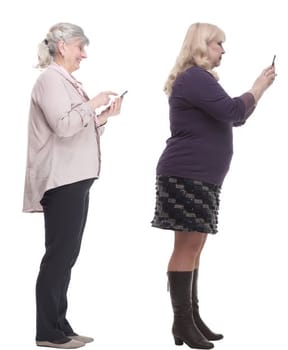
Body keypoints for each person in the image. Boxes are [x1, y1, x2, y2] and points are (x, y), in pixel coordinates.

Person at [151, 22, 275, 349]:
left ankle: (190, 318)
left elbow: (235, 117)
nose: (223, 50)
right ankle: (182, 322)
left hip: (200, 176)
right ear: (202, 46)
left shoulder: (200, 80)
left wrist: (256, 93)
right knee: (187, 247)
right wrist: (259, 86)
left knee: (196, 246)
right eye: (219, 44)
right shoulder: (194, 77)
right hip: (187, 174)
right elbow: (234, 110)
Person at [24, 22, 124, 350]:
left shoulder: (63, 81)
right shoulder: (49, 80)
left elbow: (76, 128)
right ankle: (47, 333)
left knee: (67, 256)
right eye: (80, 47)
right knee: (58, 256)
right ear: (62, 45)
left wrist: (104, 117)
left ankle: (60, 325)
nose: (84, 54)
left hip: (76, 179)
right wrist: (92, 104)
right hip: (61, 180)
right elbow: (64, 126)